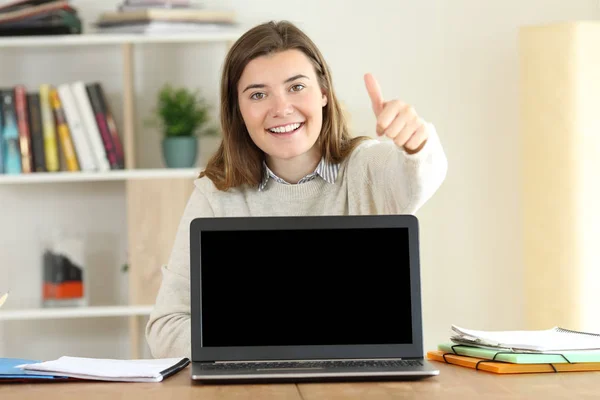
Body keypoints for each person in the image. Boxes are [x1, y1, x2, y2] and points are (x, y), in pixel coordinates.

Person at [145, 20, 448, 359]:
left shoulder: (367, 169)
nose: (281, 109)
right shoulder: (215, 194)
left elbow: (421, 175)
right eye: (258, 94)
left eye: (296, 87)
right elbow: (166, 326)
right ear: (238, 111)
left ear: (323, 94)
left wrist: (416, 142)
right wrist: (269, 357)